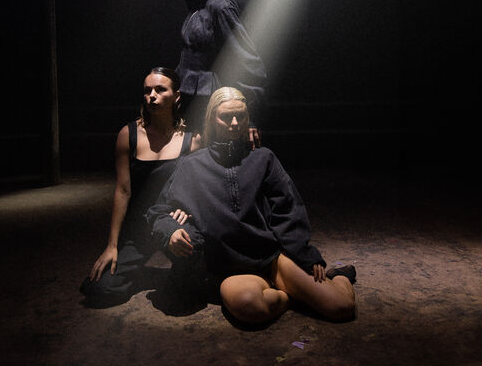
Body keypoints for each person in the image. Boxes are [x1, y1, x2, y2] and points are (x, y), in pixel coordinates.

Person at [147, 87, 356, 325]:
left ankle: (340, 278)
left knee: (342, 307)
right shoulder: (192, 166)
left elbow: (287, 209)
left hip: (272, 259)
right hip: (231, 269)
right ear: (212, 120)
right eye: (226, 117)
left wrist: (305, 254)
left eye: (241, 116)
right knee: (249, 307)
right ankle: (293, 297)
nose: (235, 123)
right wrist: (171, 231)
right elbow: (159, 212)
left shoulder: (263, 158)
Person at [80, 67, 199, 307]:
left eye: (160, 90)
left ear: (176, 96)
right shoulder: (129, 134)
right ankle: (139, 272)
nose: (151, 96)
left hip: (171, 225)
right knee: (99, 289)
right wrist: (112, 245)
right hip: (138, 228)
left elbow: (196, 189)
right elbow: (123, 191)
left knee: (189, 292)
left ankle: (178, 276)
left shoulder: (192, 140)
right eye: (147, 91)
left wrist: (187, 209)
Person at [175, 0, 267, 146]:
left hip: (210, 104)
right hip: (190, 99)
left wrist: (250, 117)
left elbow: (248, 62)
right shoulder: (200, 4)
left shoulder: (220, 6)